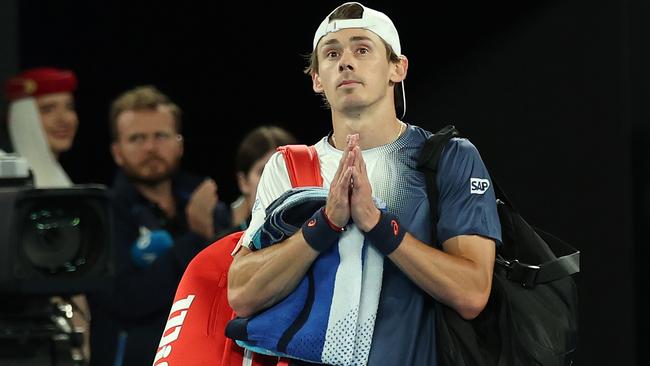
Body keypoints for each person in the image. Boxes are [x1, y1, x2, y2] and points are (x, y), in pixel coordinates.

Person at [227, 2, 502, 365]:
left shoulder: (448, 158)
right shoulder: (289, 166)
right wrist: (325, 223)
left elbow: (471, 293)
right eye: (331, 53)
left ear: (397, 68)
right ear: (316, 79)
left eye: (362, 49)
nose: (345, 62)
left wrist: (376, 224)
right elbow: (242, 293)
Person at [87, 85, 230, 366]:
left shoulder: (204, 199)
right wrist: (196, 238)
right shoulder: (103, 213)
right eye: (137, 138)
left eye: (161, 136)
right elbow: (124, 298)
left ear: (179, 144)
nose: (150, 147)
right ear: (117, 152)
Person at [3, 67, 91, 364]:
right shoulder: (13, 193)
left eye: (69, 107)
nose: (64, 119)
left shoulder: (63, 182)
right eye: (48, 109)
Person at [218, 125, 298, 239]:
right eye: (263, 172)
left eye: (285, 170)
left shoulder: (320, 236)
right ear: (243, 182)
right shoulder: (222, 246)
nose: (274, 180)